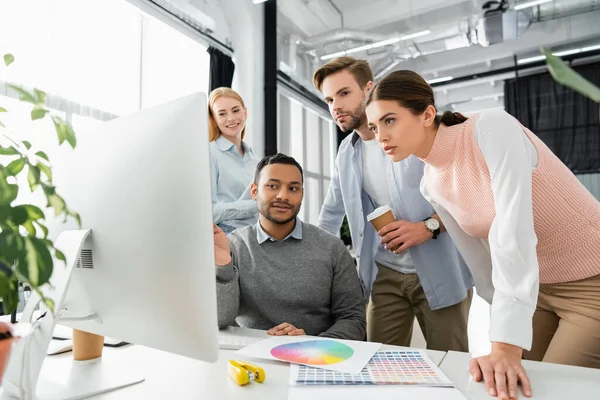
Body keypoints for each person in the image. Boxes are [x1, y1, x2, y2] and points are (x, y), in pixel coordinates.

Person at [365, 69, 600, 400]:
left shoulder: (490, 127)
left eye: (389, 120)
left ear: (427, 114)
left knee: (554, 392)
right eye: (374, 127)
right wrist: (498, 330)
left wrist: (504, 344)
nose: (380, 136)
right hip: (538, 290)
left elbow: (512, 231)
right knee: (510, 389)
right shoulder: (430, 182)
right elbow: (481, 261)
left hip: (592, 283)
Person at [313, 56, 473, 351]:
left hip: (442, 266)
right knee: (377, 361)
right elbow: (330, 215)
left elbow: (465, 193)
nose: (336, 106)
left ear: (369, 89)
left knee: (449, 363)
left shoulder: (416, 135)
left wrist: (428, 226)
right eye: (329, 99)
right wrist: (310, 267)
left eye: (344, 93)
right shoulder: (347, 153)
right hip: (384, 272)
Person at [213, 153, 366, 341]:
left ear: (301, 194)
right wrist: (223, 265)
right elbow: (220, 320)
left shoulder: (331, 248)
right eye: (272, 186)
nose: (283, 196)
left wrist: (310, 345)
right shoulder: (233, 245)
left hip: (316, 359)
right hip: (250, 356)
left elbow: (354, 319)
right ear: (254, 191)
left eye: (293, 188)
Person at [209, 87, 260, 234]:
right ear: (214, 119)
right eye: (222, 114)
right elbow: (209, 212)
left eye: (235, 110)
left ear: (245, 112)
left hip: (255, 235)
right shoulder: (210, 153)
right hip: (225, 236)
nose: (231, 118)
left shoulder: (256, 160)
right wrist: (257, 205)